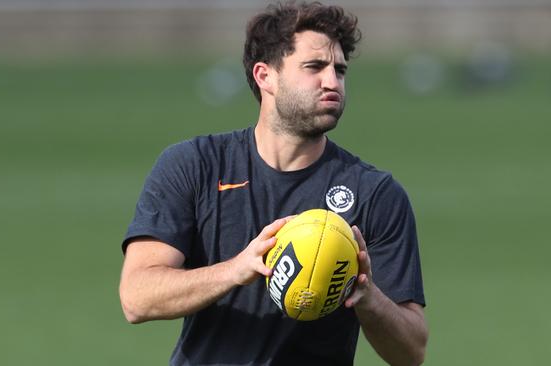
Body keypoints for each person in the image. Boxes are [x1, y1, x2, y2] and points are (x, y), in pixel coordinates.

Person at [119, 2, 428, 365]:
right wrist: (236, 270)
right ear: (265, 76)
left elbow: (411, 352)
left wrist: (369, 296)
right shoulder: (195, 165)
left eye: (340, 70)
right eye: (314, 67)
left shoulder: (375, 195)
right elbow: (136, 298)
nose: (332, 82)